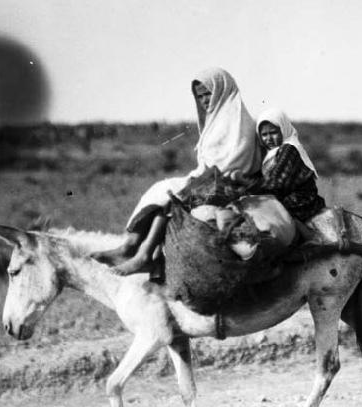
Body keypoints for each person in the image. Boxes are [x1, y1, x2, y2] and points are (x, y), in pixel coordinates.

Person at [92, 67, 261, 275]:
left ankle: (144, 254)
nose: (205, 100)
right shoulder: (216, 121)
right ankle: (131, 245)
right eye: (201, 97)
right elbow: (208, 163)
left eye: (209, 93)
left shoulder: (239, 122)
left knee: (175, 197)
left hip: (228, 184)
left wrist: (201, 178)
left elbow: (233, 162)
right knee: (162, 187)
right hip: (210, 179)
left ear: (222, 90)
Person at [254, 108, 325, 242]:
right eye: (264, 134)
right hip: (280, 195)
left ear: (283, 129)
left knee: (275, 215)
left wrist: (249, 189)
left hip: (301, 199)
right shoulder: (269, 153)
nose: (269, 138)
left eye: (273, 132)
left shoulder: (289, 148)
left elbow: (278, 182)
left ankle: (311, 239)